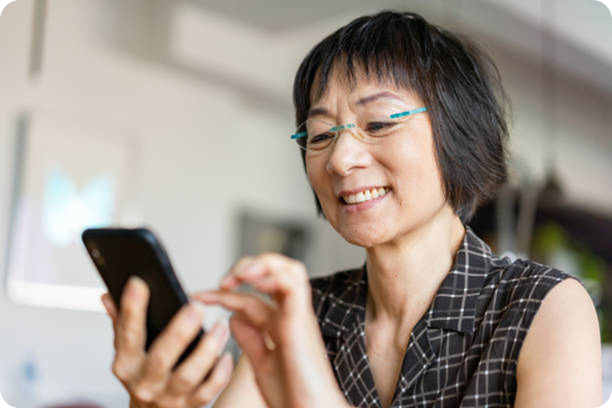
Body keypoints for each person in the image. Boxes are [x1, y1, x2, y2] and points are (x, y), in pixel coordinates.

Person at [100, 10, 603, 408]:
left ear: (460, 136)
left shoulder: (543, 307)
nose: (340, 160)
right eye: (320, 135)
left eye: (379, 124)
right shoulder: (303, 314)